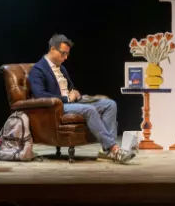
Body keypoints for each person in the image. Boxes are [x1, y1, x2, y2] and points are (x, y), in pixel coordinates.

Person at [27, 34, 135, 164]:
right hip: (59, 106)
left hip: (73, 101)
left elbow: (70, 86)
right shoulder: (38, 69)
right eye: (63, 53)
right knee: (89, 110)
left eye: (67, 54)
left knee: (110, 104)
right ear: (53, 49)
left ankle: (107, 152)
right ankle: (114, 149)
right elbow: (40, 95)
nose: (66, 57)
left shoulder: (61, 68)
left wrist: (75, 92)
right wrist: (67, 98)